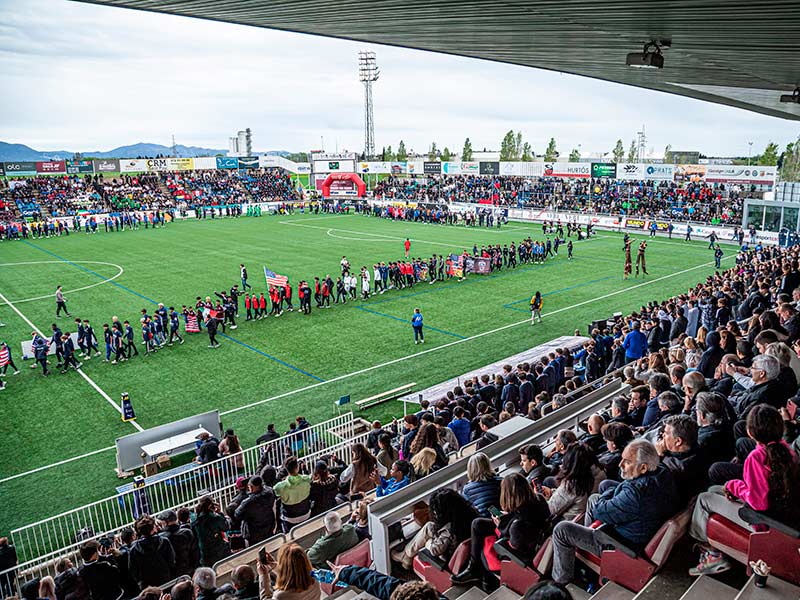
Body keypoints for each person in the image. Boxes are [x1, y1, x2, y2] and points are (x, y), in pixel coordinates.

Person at [688, 405, 799, 575]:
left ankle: (712, 554)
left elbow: (758, 503)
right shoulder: (787, 449)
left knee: (703, 499)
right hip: (780, 510)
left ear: (750, 432)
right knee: (714, 489)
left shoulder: (757, 457)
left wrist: (733, 486)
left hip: (762, 520)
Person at [551, 439, 679, 585]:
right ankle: (585, 544)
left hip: (620, 543)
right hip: (643, 522)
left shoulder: (634, 494)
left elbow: (599, 511)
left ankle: (561, 581)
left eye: (627, 462)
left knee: (561, 530)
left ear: (643, 468)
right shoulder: (662, 471)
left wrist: (611, 493)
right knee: (596, 495)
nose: (620, 465)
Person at [452, 473, 551, 588]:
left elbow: (510, 545)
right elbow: (522, 518)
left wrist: (500, 527)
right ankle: (474, 570)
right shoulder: (539, 499)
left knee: (482, 549)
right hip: (528, 533)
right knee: (477, 524)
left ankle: (481, 576)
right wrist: (508, 517)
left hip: (517, 555)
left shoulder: (518, 525)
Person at [392, 488, 478, 570]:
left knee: (428, 539)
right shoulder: (468, 513)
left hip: (447, 557)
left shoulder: (448, 530)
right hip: (461, 547)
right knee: (429, 526)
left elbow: (435, 550)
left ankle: (405, 556)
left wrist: (428, 543)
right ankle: (406, 555)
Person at [541, 443, 597, 522]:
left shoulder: (571, 485)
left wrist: (541, 498)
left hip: (566, 522)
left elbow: (549, 510)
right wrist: (551, 492)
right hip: (579, 514)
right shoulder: (594, 474)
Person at [256, 543, 320, 600]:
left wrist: (263, 576)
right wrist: (274, 566)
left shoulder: (281, 596)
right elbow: (296, 571)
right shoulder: (315, 577)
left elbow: (265, 598)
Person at [128, 515, 176, 589]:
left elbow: (133, 571)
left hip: (147, 586)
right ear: (153, 528)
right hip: (166, 580)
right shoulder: (164, 541)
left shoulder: (133, 550)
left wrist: (140, 581)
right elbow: (172, 561)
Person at [233, 476, 276, 546]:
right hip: (269, 529)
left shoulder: (248, 502)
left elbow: (237, 514)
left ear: (252, 487)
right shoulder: (270, 493)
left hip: (253, 536)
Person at [273, 456, 312, 532]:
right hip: (306, 514)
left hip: (289, 519)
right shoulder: (307, 479)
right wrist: (305, 469)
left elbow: (274, 490)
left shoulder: (280, 487)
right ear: (297, 467)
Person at [157, 510, 199, 577]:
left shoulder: (161, 538)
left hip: (173, 574)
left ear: (164, 523)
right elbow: (195, 552)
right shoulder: (187, 532)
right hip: (189, 569)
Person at [192, 496, 231, 567]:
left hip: (205, 555)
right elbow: (226, 527)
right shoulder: (215, 518)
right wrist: (220, 513)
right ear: (211, 506)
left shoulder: (195, 522)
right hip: (219, 552)